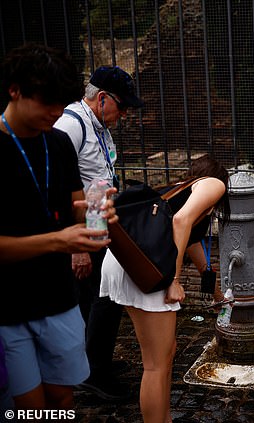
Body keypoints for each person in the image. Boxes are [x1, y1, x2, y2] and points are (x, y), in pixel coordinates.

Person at [0, 43, 118, 411]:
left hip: (60, 300)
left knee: (62, 399)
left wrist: (96, 218)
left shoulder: (59, 142)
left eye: (60, 103)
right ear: (14, 90)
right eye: (46, 102)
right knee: (29, 407)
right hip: (9, 308)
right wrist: (59, 240)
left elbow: (74, 210)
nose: (55, 112)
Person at [100, 154, 230, 423]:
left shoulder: (178, 191)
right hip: (144, 267)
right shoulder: (214, 185)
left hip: (125, 260)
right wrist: (174, 280)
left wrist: (218, 296)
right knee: (156, 364)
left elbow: (194, 248)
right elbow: (180, 223)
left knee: (166, 351)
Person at [54, 65, 144, 401]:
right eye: (122, 107)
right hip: (83, 231)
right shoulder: (71, 125)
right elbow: (64, 189)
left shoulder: (99, 126)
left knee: (100, 298)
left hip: (98, 224)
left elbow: (96, 177)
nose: (123, 115)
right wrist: (78, 246)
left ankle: (95, 364)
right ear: (102, 98)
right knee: (101, 299)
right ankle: (91, 375)